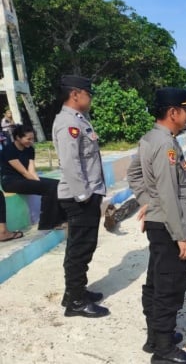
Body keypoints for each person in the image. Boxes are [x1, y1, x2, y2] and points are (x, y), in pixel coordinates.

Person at [127, 87, 186, 364]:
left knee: (157, 280)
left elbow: (134, 173)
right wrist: (181, 236)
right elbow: (169, 193)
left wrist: (146, 200)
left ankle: (156, 338)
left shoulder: (152, 138)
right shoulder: (166, 144)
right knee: (169, 284)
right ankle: (164, 350)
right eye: (185, 111)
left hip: (160, 220)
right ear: (173, 112)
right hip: (171, 223)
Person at [52, 75, 109, 318]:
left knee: (82, 245)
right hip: (79, 197)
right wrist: (84, 196)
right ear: (75, 94)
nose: (91, 97)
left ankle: (75, 291)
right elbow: (71, 163)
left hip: (86, 193)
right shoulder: (68, 123)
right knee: (80, 248)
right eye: (88, 93)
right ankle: (75, 302)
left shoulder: (78, 119)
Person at [1, 125, 66, 230]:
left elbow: (31, 171)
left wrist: (38, 181)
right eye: (28, 139)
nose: (31, 141)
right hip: (11, 181)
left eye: (32, 138)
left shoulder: (30, 149)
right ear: (18, 137)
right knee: (49, 187)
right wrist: (40, 184)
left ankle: (62, 218)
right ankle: (47, 223)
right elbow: (24, 172)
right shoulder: (9, 150)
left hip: (24, 179)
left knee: (58, 184)